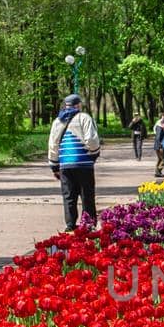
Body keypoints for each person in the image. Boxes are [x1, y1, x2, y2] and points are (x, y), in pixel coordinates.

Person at [48, 92, 101, 231]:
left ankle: (70, 225)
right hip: (84, 164)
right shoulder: (84, 118)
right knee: (87, 195)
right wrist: (93, 154)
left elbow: (53, 144)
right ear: (78, 105)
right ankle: (88, 225)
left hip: (65, 164)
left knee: (69, 196)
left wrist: (54, 166)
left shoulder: (57, 121)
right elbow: (92, 140)